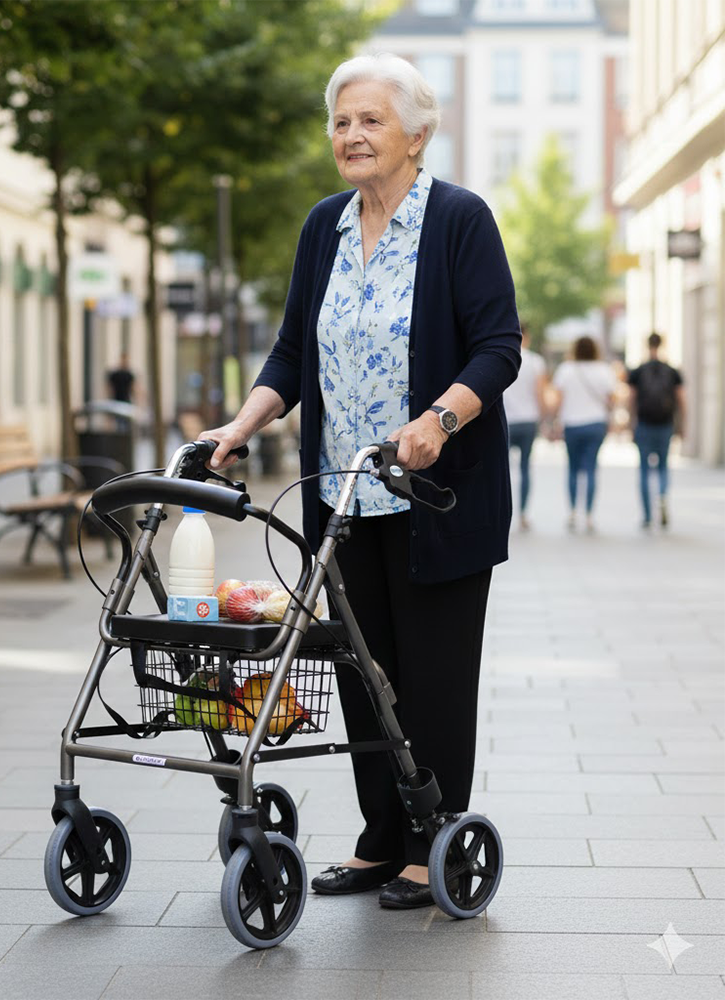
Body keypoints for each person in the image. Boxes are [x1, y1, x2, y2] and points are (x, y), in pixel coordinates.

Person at [199, 54, 520, 911]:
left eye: (371, 120)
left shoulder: (458, 220)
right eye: (342, 122)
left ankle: (434, 838)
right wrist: (239, 427)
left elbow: (499, 348)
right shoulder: (325, 228)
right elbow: (292, 354)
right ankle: (383, 838)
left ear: (418, 134)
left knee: (433, 674)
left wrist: (438, 420)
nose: (351, 135)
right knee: (360, 670)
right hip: (343, 495)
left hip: (432, 498)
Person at [551, 336, 616, 533]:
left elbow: (558, 400)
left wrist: (554, 422)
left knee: (572, 468)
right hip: (596, 424)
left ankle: (572, 512)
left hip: (572, 425)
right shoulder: (604, 370)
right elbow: (611, 400)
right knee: (590, 468)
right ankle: (588, 515)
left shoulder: (566, 370)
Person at [628, 333, 685, 529]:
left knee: (644, 469)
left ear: (647, 345)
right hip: (665, 423)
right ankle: (661, 495)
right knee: (662, 466)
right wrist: (682, 425)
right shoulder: (672, 371)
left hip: (644, 423)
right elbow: (681, 401)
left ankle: (646, 515)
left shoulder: (638, 371)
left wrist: (630, 423)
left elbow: (631, 399)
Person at [503, 325, 548, 530]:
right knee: (525, 468)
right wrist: (545, 418)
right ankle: (522, 514)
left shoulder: (502, 355)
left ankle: (504, 511)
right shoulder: (535, 361)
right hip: (528, 420)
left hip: (507, 421)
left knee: (503, 470)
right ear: (527, 336)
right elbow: (540, 393)